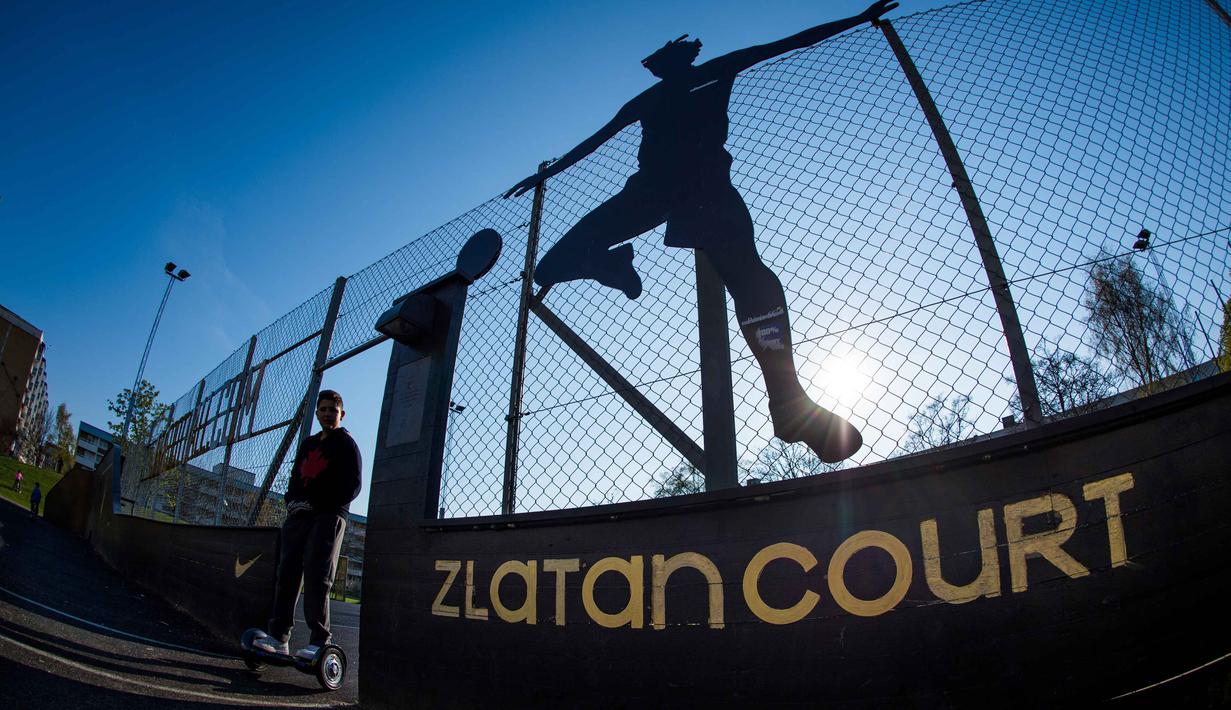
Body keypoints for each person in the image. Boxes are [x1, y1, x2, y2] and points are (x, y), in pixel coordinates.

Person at [505, 1, 898, 463]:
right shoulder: (647, 101)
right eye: (659, 65)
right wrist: (545, 177)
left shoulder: (716, 71)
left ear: (685, 60)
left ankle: (788, 401)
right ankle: (611, 264)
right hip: (650, 193)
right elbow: (595, 140)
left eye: (670, 61)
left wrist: (857, 18)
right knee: (547, 267)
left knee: (749, 278)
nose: (664, 70)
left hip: (707, 191)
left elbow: (789, 42)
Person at [254, 390, 362, 660]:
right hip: (299, 516)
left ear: (342, 414)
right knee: (287, 572)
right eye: (323, 409)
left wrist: (318, 504)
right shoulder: (308, 444)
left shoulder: (347, 444)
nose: (327, 414)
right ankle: (279, 636)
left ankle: (319, 639)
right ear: (317, 412)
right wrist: (292, 502)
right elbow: (294, 478)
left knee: (317, 575)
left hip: (327, 516)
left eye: (332, 411)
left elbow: (353, 485)